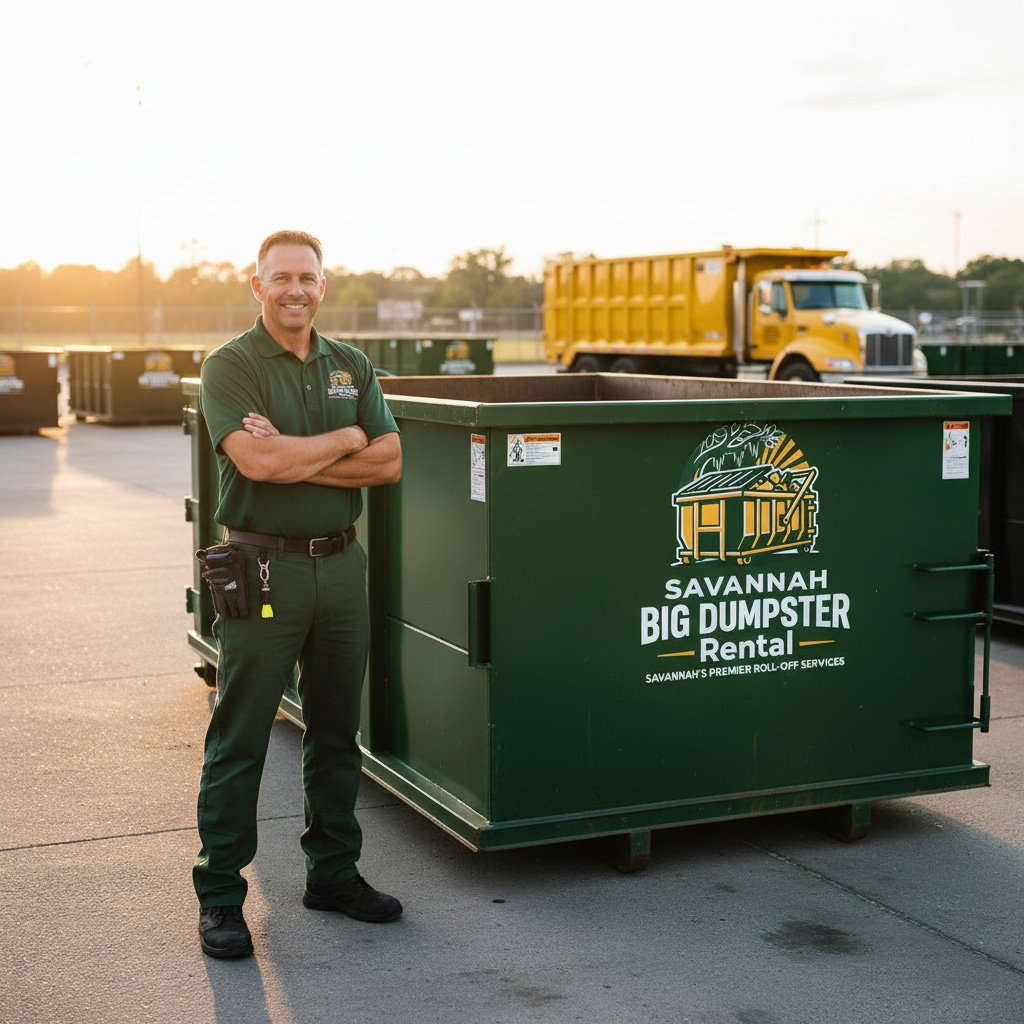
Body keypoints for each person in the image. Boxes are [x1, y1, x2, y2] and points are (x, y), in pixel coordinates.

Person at [193, 230, 402, 959]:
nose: (295, 289)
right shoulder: (231, 365)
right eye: (280, 277)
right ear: (257, 286)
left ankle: (334, 874)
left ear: (323, 286)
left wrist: (294, 453)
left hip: (340, 566)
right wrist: (345, 438)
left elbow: (389, 460)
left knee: (338, 731)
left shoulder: (350, 364)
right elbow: (255, 461)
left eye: (307, 278)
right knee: (241, 734)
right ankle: (221, 893)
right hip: (262, 568)